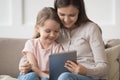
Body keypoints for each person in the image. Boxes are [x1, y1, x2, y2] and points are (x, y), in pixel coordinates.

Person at [19, 0, 108, 80]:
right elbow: (31, 53)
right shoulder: (55, 29)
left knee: (64, 76)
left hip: (86, 76)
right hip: (62, 76)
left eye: (72, 15)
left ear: (79, 12)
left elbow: (104, 67)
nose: (66, 20)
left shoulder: (91, 29)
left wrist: (86, 71)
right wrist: (23, 66)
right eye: (62, 14)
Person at [18, 7, 64, 80]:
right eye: (48, 31)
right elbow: (33, 67)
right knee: (32, 76)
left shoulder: (58, 47)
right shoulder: (31, 44)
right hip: (31, 74)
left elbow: (58, 70)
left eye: (56, 31)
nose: (52, 35)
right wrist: (46, 76)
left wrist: (48, 77)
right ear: (37, 28)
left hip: (45, 77)